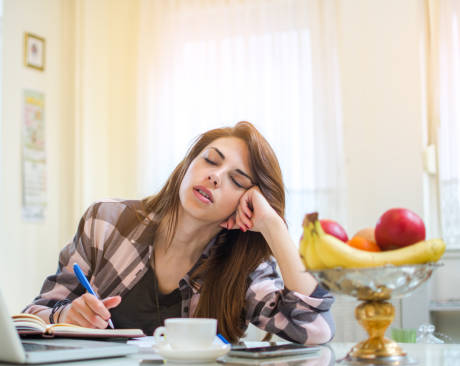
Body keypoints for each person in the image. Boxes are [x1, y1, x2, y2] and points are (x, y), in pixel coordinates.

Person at [23, 121, 335, 344]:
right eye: (210, 160)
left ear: (248, 203)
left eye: (237, 181)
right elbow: (31, 318)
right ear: (187, 164)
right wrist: (65, 317)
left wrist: (272, 227)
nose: (214, 176)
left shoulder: (244, 268)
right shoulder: (106, 221)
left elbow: (316, 328)